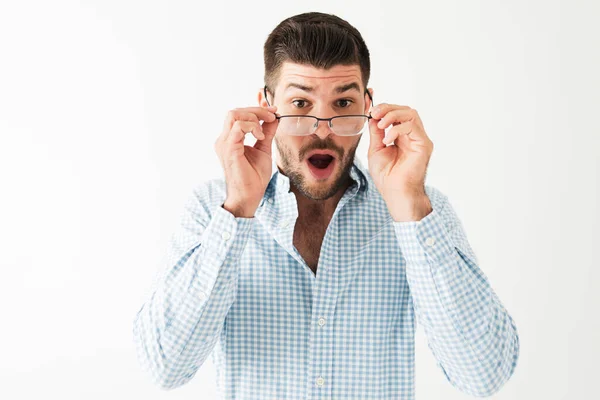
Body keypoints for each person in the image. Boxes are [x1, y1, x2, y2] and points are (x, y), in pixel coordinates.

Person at [132, 11, 519, 399]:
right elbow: (166, 367)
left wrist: (411, 211)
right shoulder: (211, 209)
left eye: (343, 102)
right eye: (300, 102)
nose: (323, 128)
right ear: (267, 106)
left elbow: (483, 376)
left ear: (369, 106)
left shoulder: (416, 210)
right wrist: (237, 209)